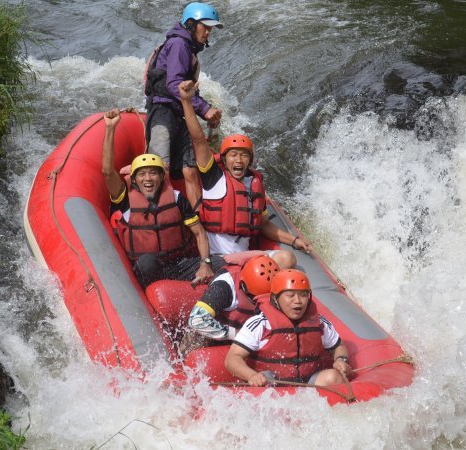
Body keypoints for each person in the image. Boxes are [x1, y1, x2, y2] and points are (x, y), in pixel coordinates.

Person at [178, 80, 313, 262]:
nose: (239, 160)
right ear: (225, 160)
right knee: (276, 262)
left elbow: (263, 224)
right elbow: (199, 140)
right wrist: (187, 101)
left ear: (250, 160)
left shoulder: (254, 184)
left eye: (244, 156)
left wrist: (295, 240)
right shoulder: (213, 176)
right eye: (233, 155)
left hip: (245, 257)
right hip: (218, 257)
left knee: (288, 259)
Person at [102, 108, 221, 288]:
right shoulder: (124, 198)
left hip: (180, 265)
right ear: (134, 180)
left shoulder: (177, 198)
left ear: (161, 177)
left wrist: (205, 263)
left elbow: (199, 232)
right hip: (149, 270)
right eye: (142, 175)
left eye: (153, 174)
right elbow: (107, 171)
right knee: (147, 262)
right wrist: (110, 129)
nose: (148, 179)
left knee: (221, 263)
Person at [144, 2, 223, 211]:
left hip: (181, 113)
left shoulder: (189, 48)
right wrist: (204, 110)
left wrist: (204, 107)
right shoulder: (179, 44)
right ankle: (157, 217)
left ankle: (196, 216)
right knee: (160, 167)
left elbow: (187, 90)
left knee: (190, 170)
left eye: (210, 27)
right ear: (190, 24)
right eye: (204, 26)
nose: (208, 32)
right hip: (163, 111)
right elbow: (174, 85)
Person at [224, 269, 352, 387]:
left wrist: (341, 359)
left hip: (308, 383)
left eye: (303, 295)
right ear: (275, 298)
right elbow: (232, 358)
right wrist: (251, 375)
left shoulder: (319, 323)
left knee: (333, 377)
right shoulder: (260, 324)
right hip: (271, 384)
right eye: (290, 295)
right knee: (265, 381)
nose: (298, 301)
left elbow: (339, 346)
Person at [188, 254, 280, 341]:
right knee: (196, 337)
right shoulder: (223, 285)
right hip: (222, 329)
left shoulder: (279, 288)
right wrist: (240, 336)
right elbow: (196, 321)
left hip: (247, 333)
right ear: (245, 286)